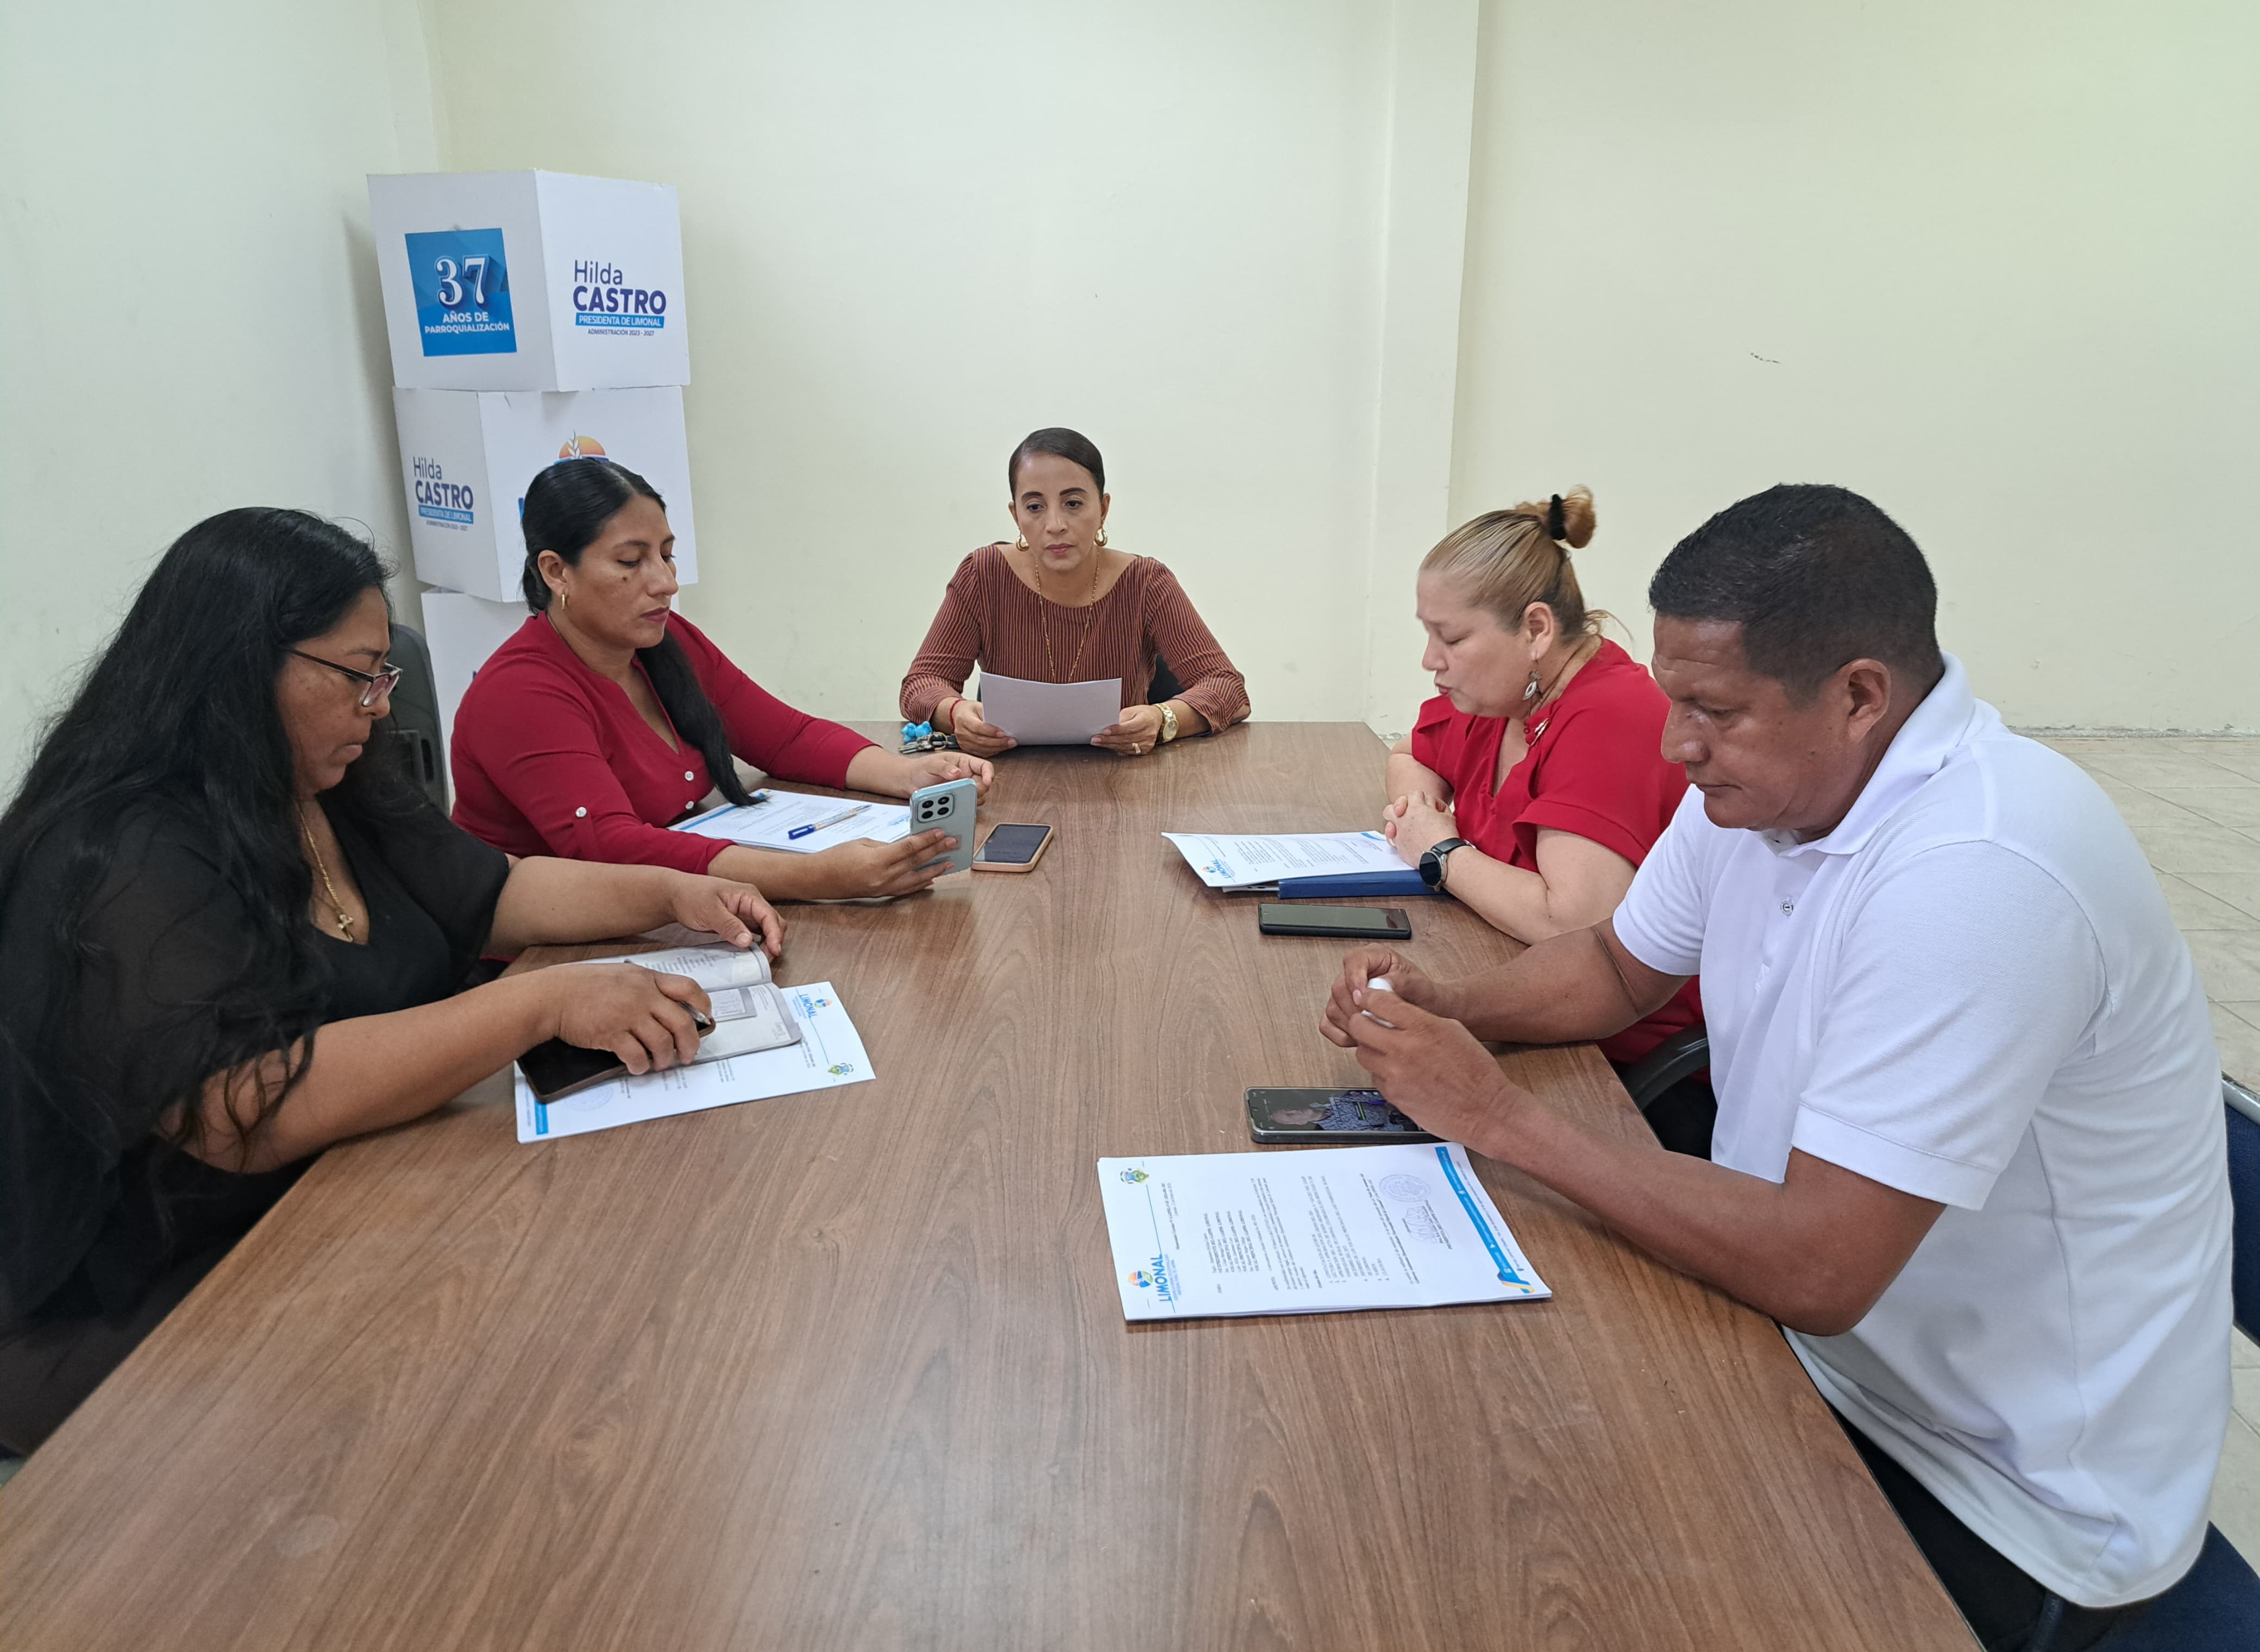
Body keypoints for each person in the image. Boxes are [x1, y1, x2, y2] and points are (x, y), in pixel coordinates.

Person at [1320, 485, 2230, 1649]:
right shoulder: (1761, 790)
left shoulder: (1982, 872)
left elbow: (1819, 1265)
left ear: (1859, 696)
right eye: (1674, 700)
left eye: (1714, 710)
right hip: (1814, 1355)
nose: (1674, 744)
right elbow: (1615, 965)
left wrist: (1498, 1118)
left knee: (1517, 1554)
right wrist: (1451, 1005)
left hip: (2001, 1495)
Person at [0, 510, 787, 1454]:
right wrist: (539, 1001)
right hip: (162, 1285)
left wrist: (672, 890)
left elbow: (493, 891)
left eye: (385, 675)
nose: (379, 706)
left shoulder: (329, 776)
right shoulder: (121, 853)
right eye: (357, 675)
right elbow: (242, 1109)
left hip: (353, 1190)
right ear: (240, 667)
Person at [450, 458, 990, 900]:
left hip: (667, 906)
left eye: (666, 556)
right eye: (631, 562)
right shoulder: (521, 692)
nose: (665, 583)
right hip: (543, 954)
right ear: (556, 571)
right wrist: (815, 877)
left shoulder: (665, 642)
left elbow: (786, 738)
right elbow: (612, 850)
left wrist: (909, 776)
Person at [1380, 486, 1706, 1150]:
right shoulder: (1502, 700)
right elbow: (1408, 754)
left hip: (1619, 1067)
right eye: (1427, 634)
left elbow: (1573, 922)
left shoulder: (1609, 717)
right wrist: (1423, 815)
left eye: (1450, 637)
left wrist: (1441, 854)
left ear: (1534, 630)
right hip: (1523, 996)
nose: (1429, 660)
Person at [899, 428, 1250, 757]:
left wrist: (1162, 720)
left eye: (1073, 504)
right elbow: (921, 684)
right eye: (1034, 507)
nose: (1055, 525)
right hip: (1005, 776)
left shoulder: (1146, 582)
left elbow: (1228, 689)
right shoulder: (983, 575)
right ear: (1016, 515)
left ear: (1103, 509)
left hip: (1124, 777)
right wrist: (956, 713)